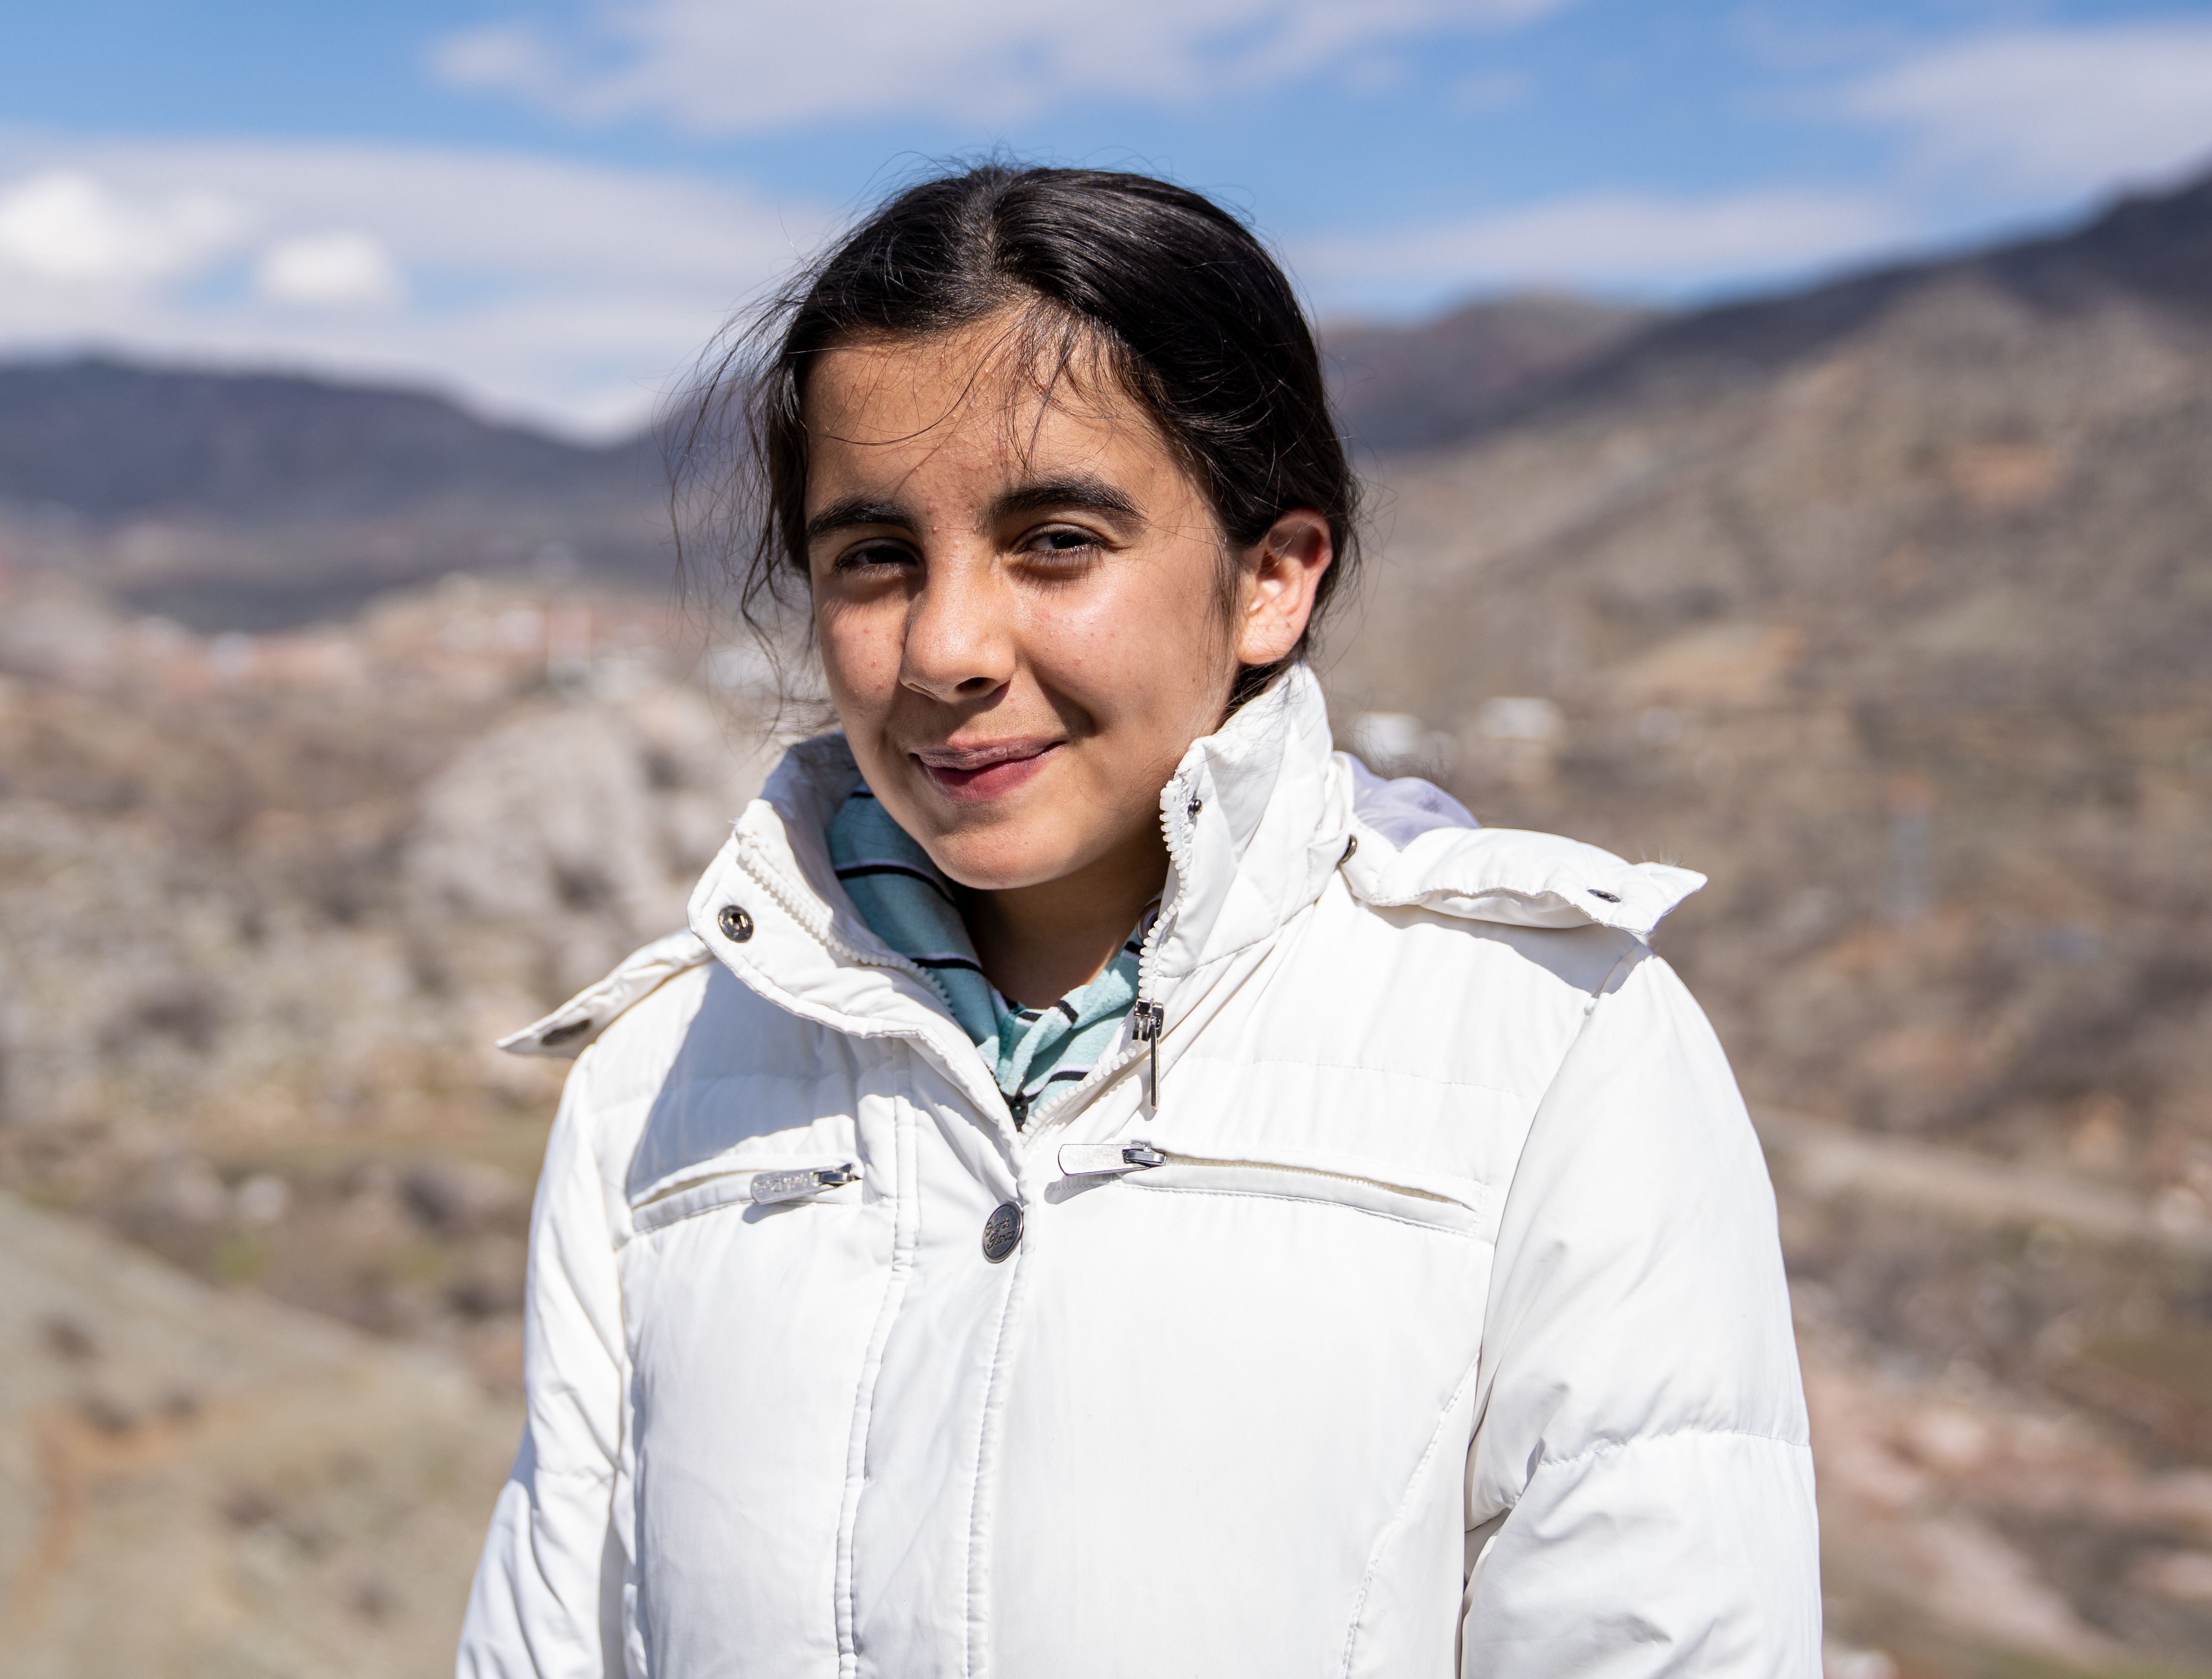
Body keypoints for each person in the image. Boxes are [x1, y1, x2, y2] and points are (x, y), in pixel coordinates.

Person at [457, 163, 1818, 1679]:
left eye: (1056, 540)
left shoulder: (1550, 1047)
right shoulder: (658, 1086)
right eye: (875, 556)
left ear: (1270, 581)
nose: (949, 647)